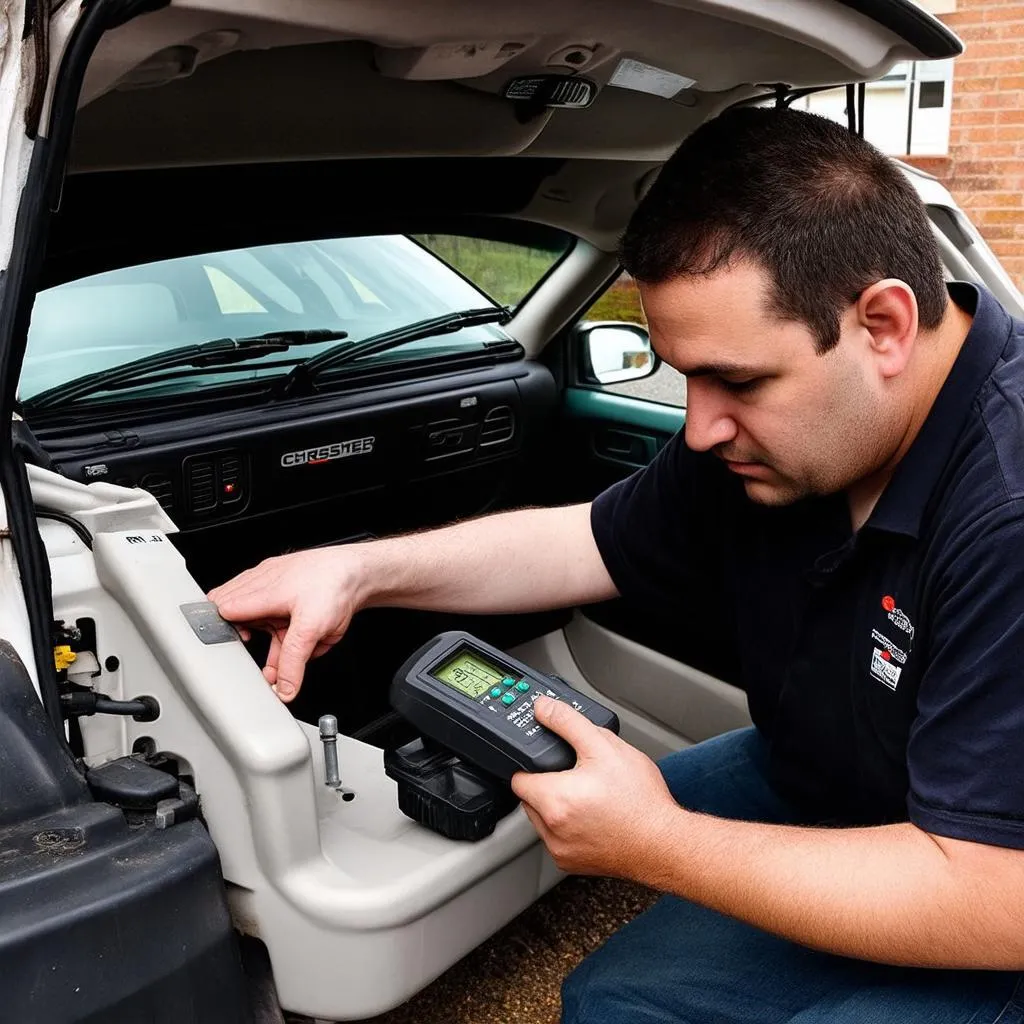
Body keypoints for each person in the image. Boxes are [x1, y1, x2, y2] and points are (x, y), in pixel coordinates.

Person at [208, 107, 1024, 1023]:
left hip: (989, 891)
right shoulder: (780, 436)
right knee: (614, 1003)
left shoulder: (1006, 511)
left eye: (739, 381)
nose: (703, 426)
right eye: (684, 376)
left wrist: (661, 844)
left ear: (882, 324)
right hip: (837, 776)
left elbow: (998, 898)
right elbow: (585, 541)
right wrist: (356, 572)